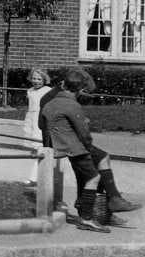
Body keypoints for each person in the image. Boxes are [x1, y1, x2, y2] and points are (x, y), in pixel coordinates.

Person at [40, 69, 135, 232]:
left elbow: (42, 124)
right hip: (75, 146)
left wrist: (59, 130)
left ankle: (108, 203)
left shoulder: (51, 101)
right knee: (93, 177)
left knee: (99, 162)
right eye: (83, 91)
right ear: (78, 89)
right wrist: (80, 131)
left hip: (62, 144)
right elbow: (84, 133)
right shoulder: (71, 104)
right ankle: (87, 217)